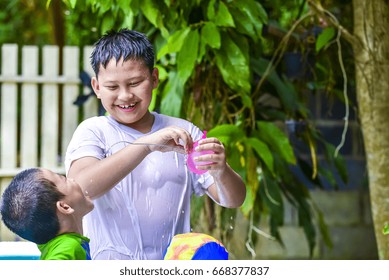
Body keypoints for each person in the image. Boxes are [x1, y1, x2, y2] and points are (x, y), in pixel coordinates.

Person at [65, 28, 246, 260]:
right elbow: (82, 186)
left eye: (135, 83)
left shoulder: (185, 132)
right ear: (97, 87)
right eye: (112, 87)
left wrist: (221, 170)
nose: (125, 96)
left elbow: (233, 200)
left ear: (154, 79)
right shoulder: (93, 132)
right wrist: (146, 145)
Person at [0, 168, 94, 260]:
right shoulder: (68, 248)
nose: (72, 179)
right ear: (65, 207)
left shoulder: (48, 243)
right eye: (64, 179)